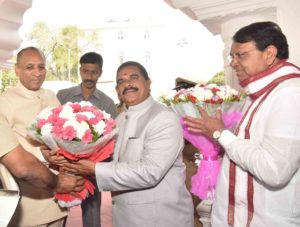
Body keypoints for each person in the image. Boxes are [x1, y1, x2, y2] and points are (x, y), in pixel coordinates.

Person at [183, 21, 300, 227]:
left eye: (241, 55)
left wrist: (221, 134)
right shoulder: (258, 93)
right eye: (232, 56)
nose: (233, 63)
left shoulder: (290, 94)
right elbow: (246, 147)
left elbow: (274, 172)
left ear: (269, 54)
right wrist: (216, 137)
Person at [62, 61, 194, 227]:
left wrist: (94, 169)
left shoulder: (163, 118)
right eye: (121, 81)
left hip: (159, 218)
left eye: (133, 77)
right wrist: (71, 160)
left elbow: (150, 171)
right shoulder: (118, 121)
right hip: (125, 218)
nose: (127, 84)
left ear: (148, 83)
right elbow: (108, 161)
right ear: (117, 91)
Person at [0, 46, 85, 226]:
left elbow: (62, 135)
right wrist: (42, 155)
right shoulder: (5, 101)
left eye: (41, 67)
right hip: (28, 203)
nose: (37, 73)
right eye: (30, 67)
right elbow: (14, 160)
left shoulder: (50, 95)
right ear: (17, 70)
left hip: (58, 199)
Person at [56, 52, 116, 227]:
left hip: (92, 167)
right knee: (59, 211)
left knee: (92, 213)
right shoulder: (62, 96)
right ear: (80, 71)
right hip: (64, 164)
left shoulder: (107, 103)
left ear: (100, 73)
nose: (89, 76)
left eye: (94, 72)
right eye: (86, 71)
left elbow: (110, 139)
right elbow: (54, 128)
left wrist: (94, 163)